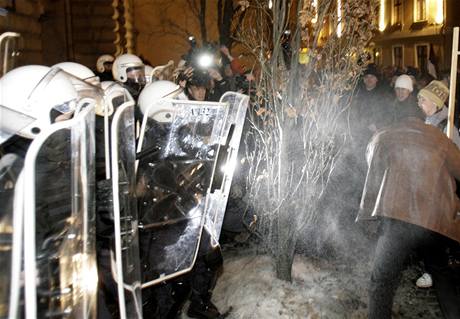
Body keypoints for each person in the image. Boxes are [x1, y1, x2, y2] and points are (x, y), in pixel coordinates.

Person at [356, 117, 460, 319]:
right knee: (441, 274)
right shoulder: (438, 137)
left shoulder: (385, 135)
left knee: (382, 280)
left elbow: (370, 159)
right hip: (432, 219)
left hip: (397, 218)